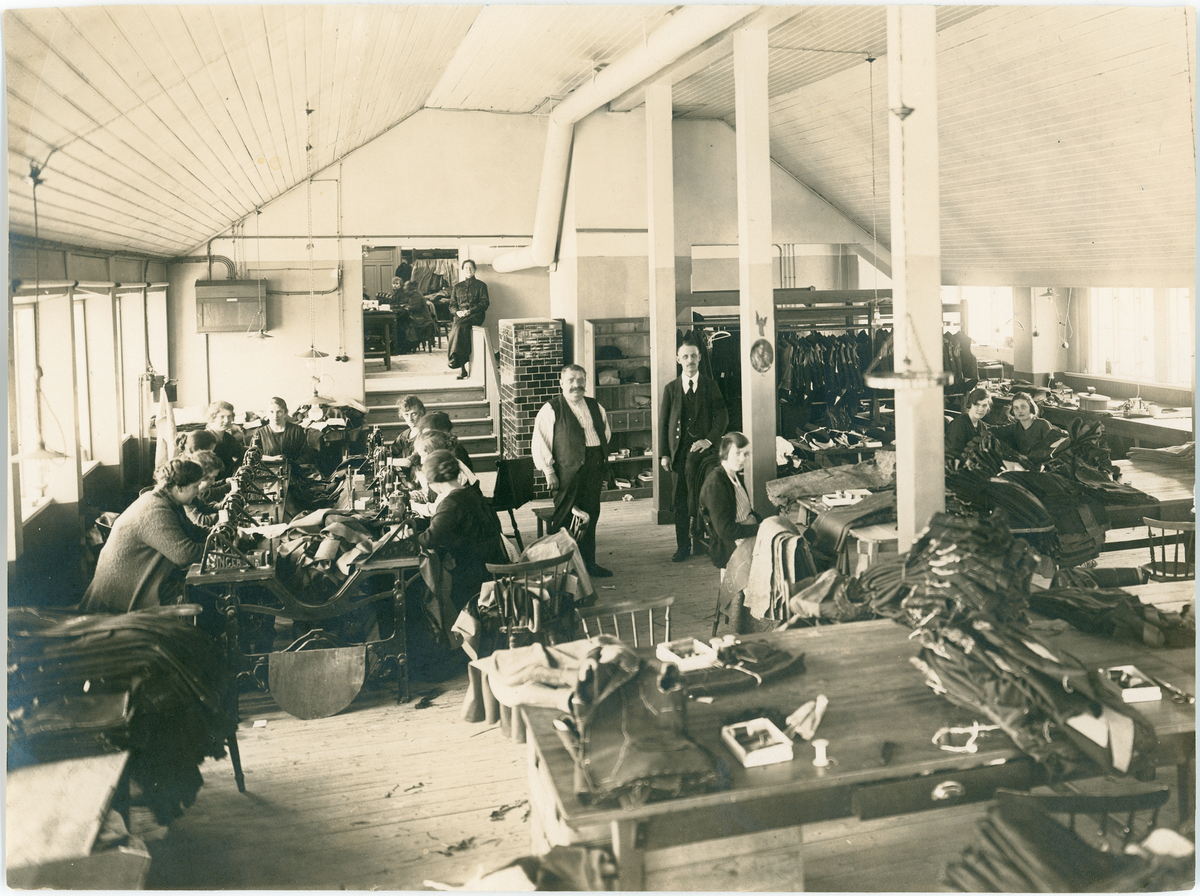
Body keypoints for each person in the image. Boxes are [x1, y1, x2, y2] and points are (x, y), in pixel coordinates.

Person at [81, 458, 210, 614]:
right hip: (118, 603)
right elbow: (185, 555)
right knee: (207, 599)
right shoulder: (155, 509)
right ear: (179, 488)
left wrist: (221, 535)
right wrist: (219, 546)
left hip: (133, 585)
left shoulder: (168, 500)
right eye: (195, 486)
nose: (198, 491)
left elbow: (194, 531)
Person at [532, 364, 613, 578]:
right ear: (561, 383)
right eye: (571, 380)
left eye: (580, 380)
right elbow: (541, 441)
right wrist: (548, 471)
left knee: (591, 514)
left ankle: (588, 564)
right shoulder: (551, 409)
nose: (576, 385)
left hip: (594, 468)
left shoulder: (595, 406)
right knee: (564, 517)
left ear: (586, 381)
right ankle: (560, 569)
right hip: (567, 471)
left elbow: (605, 433)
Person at [660, 336, 729, 562]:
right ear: (678, 359)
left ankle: (705, 542)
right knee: (680, 501)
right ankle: (683, 547)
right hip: (679, 454)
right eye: (685, 356)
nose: (690, 360)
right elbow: (663, 424)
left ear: (700, 358)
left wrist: (708, 441)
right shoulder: (671, 389)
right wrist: (664, 454)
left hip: (705, 455)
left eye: (693, 356)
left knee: (705, 497)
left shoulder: (711, 385)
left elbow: (722, 416)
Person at [415, 449, 507, 613]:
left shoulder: (451, 503)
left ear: (433, 481)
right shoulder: (471, 493)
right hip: (492, 564)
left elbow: (429, 539)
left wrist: (407, 535)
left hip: (475, 575)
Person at [698, 432, 761, 571]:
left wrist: (765, 523)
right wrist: (759, 528)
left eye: (746, 454)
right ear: (725, 453)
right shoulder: (716, 484)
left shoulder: (734, 476)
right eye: (737, 453)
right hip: (731, 548)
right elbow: (725, 530)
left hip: (747, 537)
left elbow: (746, 511)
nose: (742, 459)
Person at [447, 259, 489, 380]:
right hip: (460, 316)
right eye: (466, 268)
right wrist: (457, 312)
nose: (468, 270)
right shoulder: (457, 287)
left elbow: (485, 303)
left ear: (475, 270)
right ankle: (461, 366)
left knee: (459, 327)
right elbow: (452, 305)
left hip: (475, 315)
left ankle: (457, 362)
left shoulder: (481, 285)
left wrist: (470, 311)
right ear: (463, 270)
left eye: (471, 268)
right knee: (455, 330)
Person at [994, 392, 1068, 458]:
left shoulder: (1042, 425)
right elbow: (995, 430)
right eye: (1016, 408)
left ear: (1031, 407)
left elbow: (1051, 450)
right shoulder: (1015, 427)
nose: (1019, 411)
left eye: (1023, 407)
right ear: (1012, 411)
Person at [251, 397, 309, 464]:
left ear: (285, 413)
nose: (275, 415)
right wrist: (272, 459)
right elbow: (253, 455)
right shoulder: (259, 433)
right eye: (271, 412)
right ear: (267, 413)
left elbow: (305, 455)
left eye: (279, 412)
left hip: (293, 468)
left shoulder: (297, 431)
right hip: (267, 468)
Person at [946, 388, 993, 463]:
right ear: (970, 405)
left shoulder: (982, 426)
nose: (981, 409)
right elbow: (955, 454)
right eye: (976, 405)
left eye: (984, 405)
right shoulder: (959, 424)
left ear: (988, 407)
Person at [204, 400, 245, 471]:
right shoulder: (204, 438)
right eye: (222, 417)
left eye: (229, 416)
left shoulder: (228, 438)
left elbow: (243, 453)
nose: (226, 420)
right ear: (213, 418)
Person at [401, 280, 437, 352]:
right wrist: (406, 306)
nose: (404, 289)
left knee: (405, 325)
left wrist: (407, 308)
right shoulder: (412, 295)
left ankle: (410, 344)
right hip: (418, 318)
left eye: (405, 288)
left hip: (422, 319)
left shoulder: (417, 295)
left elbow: (416, 307)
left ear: (410, 288)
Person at [390, 396, 426, 462]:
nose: (410, 419)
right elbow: (392, 452)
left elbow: (410, 461)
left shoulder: (425, 434)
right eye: (406, 415)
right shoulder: (404, 435)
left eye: (413, 414)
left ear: (421, 413)